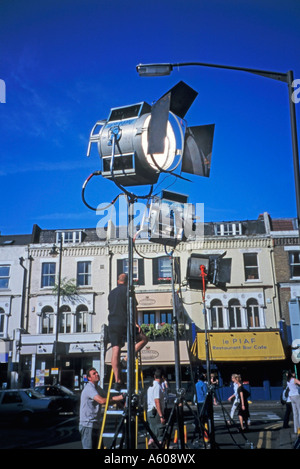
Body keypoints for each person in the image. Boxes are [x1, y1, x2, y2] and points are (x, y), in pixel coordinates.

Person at [108, 273, 148, 391]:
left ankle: (117, 380)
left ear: (117, 281)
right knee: (144, 339)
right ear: (126, 282)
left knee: (115, 350)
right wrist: (135, 323)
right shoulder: (129, 291)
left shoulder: (111, 293)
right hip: (125, 323)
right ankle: (126, 359)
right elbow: (134, 308)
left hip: (113, 323)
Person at [79, 367, 124, 449]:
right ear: (89, 378)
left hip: (95, 424)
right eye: (94, 374)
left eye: (97, 373)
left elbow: (108, 398)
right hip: (87, 424)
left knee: (99, 447)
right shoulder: (89, 388)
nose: (97, 374)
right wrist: (120, 397)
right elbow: (102, 401)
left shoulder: (97, 388)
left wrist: (122, 406)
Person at [147, 369, 166, 446]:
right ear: (162, 377)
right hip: (156, 413)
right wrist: (161, 415)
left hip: (150, 412)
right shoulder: (157, 386)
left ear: (154, 376)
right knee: (160, 436)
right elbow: (157, 401)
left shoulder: (150, 386)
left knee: (153, 435)